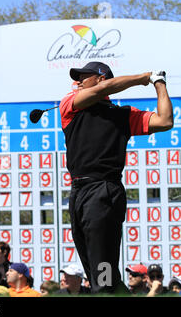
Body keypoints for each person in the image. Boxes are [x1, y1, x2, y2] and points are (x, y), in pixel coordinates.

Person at [59, 62, 173, 294]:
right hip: (78, 193)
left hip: (103, 191)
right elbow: (101, 91)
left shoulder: (123, 115)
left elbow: (164, 121)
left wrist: (158, 82)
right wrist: (142, 77)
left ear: (101, 78)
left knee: (103, 270)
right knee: (95, 270)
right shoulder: (71, 105)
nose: (78, 82)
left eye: (84, 77)